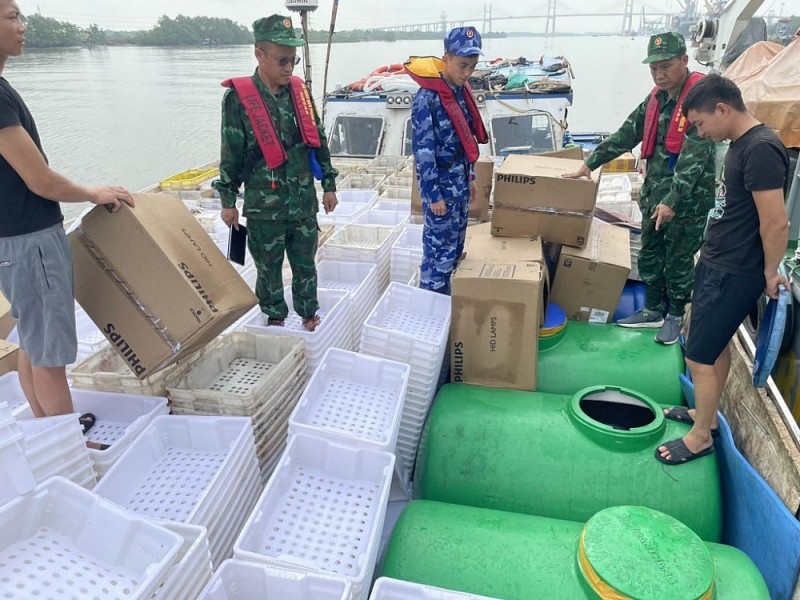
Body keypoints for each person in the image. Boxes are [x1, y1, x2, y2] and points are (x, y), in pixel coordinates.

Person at [0, 0, 133, 437]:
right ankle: (69, 451)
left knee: (32, 343)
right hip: (31, 240)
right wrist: (94, 192)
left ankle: (46, 436)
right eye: (11, 16)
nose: (22, 25)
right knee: (51, 356)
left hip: (13, 241)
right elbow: (39, 180)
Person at [656, 75, 790, 465]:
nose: (701, 132)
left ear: (722, 109)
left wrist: (768, 273)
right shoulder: (741, 145)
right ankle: (707, 416)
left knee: (697, 357)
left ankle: (700, 438)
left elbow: (776, 222)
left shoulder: (761, 148)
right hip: (718, 261)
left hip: (735, 270)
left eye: (700, 123)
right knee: (715, 349)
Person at [564, 32, 715, 345]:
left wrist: (673, 201)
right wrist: (589, 164)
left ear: (685, 61)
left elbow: (694, 160)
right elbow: (625, 135)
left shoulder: (701, 100)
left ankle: (674, 314)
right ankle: (653, 309)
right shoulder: (655, 99)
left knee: (677, 260)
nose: (660, 74)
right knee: (649, 254)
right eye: (654, 68)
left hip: (685, 201)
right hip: (654, 195)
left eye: (667, 66)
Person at [214, 14, 338, 332]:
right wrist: (228, 200)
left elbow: (318, 140)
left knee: (305, 265)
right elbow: (231, 152)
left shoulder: (300, 92)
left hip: (302, 204)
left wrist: (328, 183)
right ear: (260, 54)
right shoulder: (238, 99)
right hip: (263, 206)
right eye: (282, 60)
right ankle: (275, 318)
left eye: (293, 61)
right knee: (268, 270)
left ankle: (310, 315)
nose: (289, 69)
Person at [406, 26, 488, 294]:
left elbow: (465, 142)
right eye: (462, 65)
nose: (467, 73)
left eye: (472, 67)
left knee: (455, 250)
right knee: (437, 256)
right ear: (447, 59)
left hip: (460, 187)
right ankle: (431, 303)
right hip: (440, 191)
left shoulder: (460, 92)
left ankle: (448, 302)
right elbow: (424, 152)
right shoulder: (427, 99)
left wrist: (471, 178)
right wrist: (433, 196)